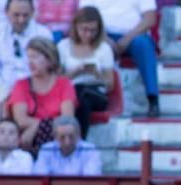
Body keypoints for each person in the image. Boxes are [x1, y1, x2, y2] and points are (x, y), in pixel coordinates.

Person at [78, 0, 159, 116]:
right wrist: (104, 38)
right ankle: (96, 99)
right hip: (100, 35)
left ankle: (153, 99)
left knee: (144, 44)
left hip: (133, 35)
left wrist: (127, 39)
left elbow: (150, 18)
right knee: (92, 44)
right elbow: (84, 16)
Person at [8, 37, 76, 152]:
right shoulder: (21, 85)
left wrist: (35, 126)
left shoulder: (64, 84)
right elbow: (21, 120)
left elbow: (67, 119)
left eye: (35, 57)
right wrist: (42, 124)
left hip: (57, 137)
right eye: (28, 57)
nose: (30, 62)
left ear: (50, 60)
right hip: (28, 140)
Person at [57, 6, 113, 139]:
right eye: (84, 30)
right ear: (76, 27)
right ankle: (79, 140)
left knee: (83, 92)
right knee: (81, 96)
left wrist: (97, 75)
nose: (88, 34)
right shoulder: (63, 46)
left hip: (96, 93)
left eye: (93, 31)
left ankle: (75, 139)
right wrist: (76, 72)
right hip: (71, 93)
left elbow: (110, 85)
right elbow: (56, 81)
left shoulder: (104, 49)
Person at [0, 0, 53, 105]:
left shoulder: (44, 34)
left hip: (34, 88)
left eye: (25, 15)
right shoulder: (0, 31)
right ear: (6, 12)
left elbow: (49, 68)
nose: (21, 20)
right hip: (3, 87)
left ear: (33, 12)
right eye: (16, 15)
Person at [32, 115, 99, 175]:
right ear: (55, 137)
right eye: (62, 137)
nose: (67, 142)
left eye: (71, 136)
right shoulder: (46, 150)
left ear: (79, 134)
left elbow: (90, 180)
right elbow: (40, 178)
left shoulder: (90, 150)